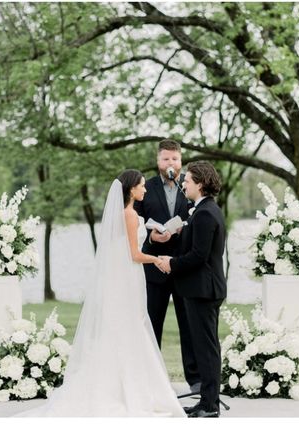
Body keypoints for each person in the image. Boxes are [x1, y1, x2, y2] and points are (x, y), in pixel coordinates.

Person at [16, 170, 185, 417]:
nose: (145, 190)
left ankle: (117, 384)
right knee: (130, 328)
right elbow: (134, 254)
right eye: (141, 186)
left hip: (123, 276)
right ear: (131, 190)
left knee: (120, 328)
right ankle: (125, 390)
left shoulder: (123, 215)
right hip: (128, 276)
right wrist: (157, 259)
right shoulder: (130, 215)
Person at [159, 161, 227, 418]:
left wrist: (171, 264)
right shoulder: (200, 210)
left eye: (187, 180)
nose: (183, 183)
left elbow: (199, 255)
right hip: (200, 289)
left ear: (200, 183)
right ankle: (207, 402)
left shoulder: (206, 214)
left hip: (203, 290)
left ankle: (210, 406)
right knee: (204, 348)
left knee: (207, 349)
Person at [134, 139, 201, 393]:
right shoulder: (145, 188)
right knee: (151, 324)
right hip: (154, 268)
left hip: (184, 266)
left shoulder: (190, 185)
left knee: (189, 324)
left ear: (180, 160)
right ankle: (150, 380)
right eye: (165, 159)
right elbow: (137, 224)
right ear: (158, 161)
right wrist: (152, 237)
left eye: (174, 159)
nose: (170, 163)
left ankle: (195, 380)